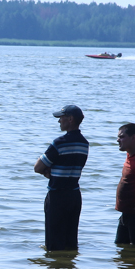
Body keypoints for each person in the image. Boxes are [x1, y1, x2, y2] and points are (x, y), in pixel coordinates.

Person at [34, 105, 89, 251]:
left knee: (53, 244)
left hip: (57, 195)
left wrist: (48, 172)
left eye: (61, 118)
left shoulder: (59, 143)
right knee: (70, 242)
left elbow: (37, 167)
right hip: (74, 195)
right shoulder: (84, 143)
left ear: (70, 119)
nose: (59, 121)